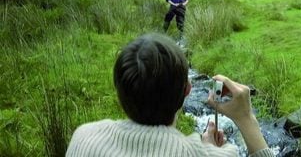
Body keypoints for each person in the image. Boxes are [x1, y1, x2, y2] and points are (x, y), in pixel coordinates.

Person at [66, 33, 274, 157]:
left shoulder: (84, 137)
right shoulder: (221, 155)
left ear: (120, 91)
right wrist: (246, 119)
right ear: (187, 90)